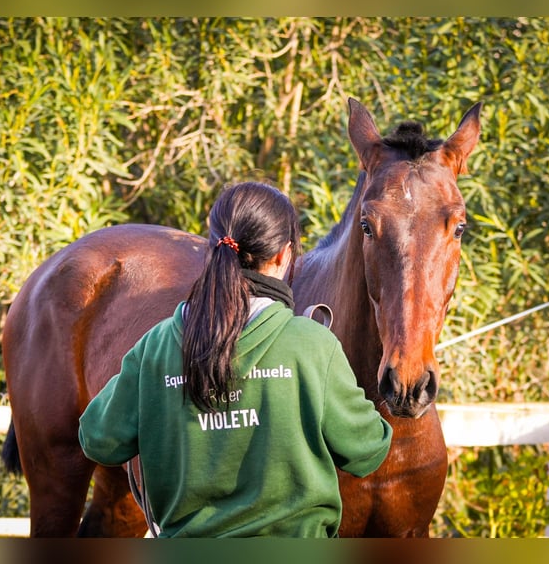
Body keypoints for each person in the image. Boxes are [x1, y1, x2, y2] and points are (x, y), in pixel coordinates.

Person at [78, 180, 392, 537]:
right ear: (283, 255)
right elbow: (368, 449)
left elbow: (98, 437)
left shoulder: (157, 345)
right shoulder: (313, 345)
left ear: (212, 248)